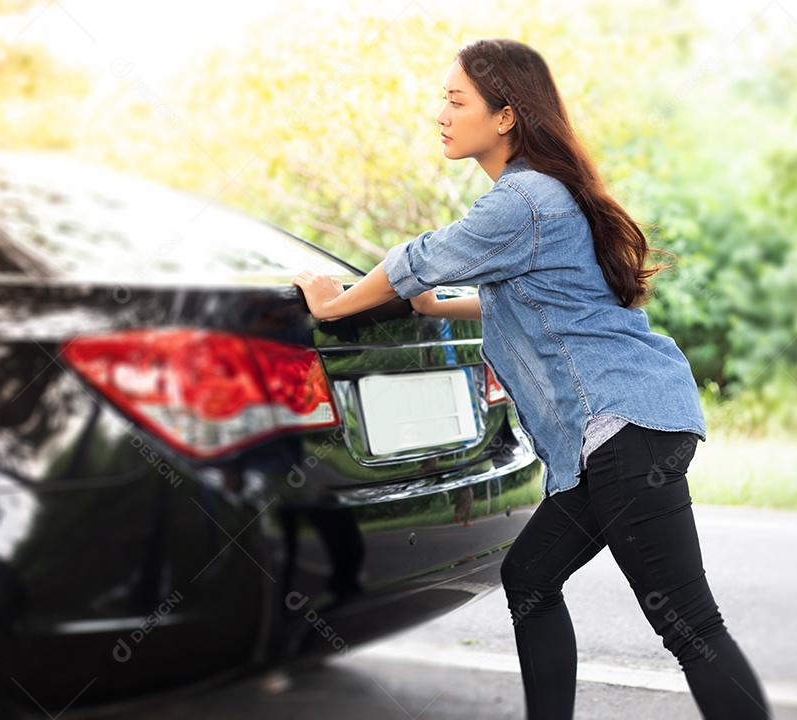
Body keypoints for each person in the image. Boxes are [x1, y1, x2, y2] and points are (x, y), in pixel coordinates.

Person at [292, 38, 770, 720]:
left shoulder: (521, 200)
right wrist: (439, 304)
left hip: (623, 431)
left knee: (690, 626)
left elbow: (420, 257)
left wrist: (332, 302)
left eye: (456, 101)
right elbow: (539, 301)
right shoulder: (544, 196)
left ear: (506, 115)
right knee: (531, 577)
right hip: (620, 434)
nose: (441, 114)